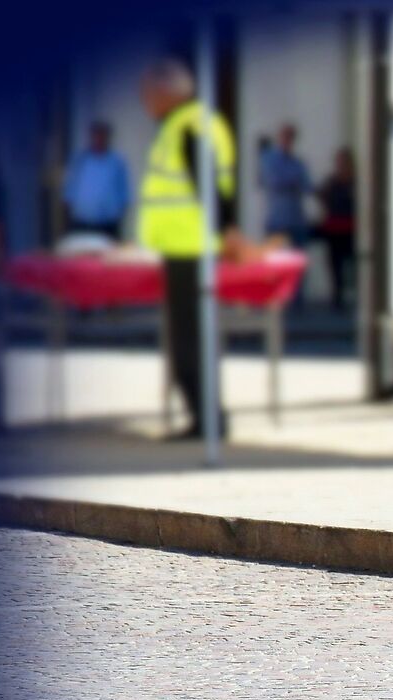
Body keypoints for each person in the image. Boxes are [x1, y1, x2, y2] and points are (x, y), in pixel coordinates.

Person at [136, 56, 239, 440]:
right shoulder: (191, 123)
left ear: (166, 91)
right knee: (189, 337)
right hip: (186, 246)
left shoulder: (188, 126)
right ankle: (205, 417)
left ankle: (207, 419)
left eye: (147, 91)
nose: (144, 99)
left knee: (189, 339)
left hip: (190, 248)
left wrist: (228, 233)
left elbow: (209, 189)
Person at [60, 121, 129, 242]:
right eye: (96, 135)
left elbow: (124, 195)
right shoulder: (80, 161)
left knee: (108, 259)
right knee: (81, 259)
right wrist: (66, 223)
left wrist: (119, 219)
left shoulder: (117, 162)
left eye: (102, 135)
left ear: (108, 138)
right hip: (82, 223)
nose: (99, 139)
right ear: (91, 137)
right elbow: (69, 194)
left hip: (108, 224)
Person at [259, 123, 312, 250]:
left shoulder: (298, 163)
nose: (287, 140)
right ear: (279, 138)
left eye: (290, 137)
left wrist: (292, 180)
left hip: (296, 222)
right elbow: (274, 182)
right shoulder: (269, 160)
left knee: (298, 263)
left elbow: (307, 187)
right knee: (275, 263)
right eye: (285, 136)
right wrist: (293, 180)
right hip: (277, 221)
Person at [314, 148, 355, 309]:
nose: (341, 165)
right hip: (334, 229)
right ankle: (337, 297)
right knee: (334, 265)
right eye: (339, 162)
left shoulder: (355, 182)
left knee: (352, 265)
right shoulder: (332, 181)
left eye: (344, 162)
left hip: (351, 229)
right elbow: (321, 195)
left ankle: (353, 295)